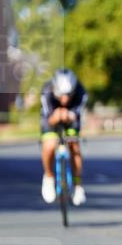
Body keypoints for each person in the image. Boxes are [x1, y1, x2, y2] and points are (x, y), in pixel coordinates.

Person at [39, 68, 88, 206]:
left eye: (69, 95)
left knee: (74, 146)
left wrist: (69, 115)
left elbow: (78, 112)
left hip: (72, 118)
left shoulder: (80, 91)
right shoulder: (47, 91)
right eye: (61, 95)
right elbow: (48, 118)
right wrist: (57, 116)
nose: (65, 99)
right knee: (49, 145)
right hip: (51, 117)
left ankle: (78, 185)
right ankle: (49, 177)